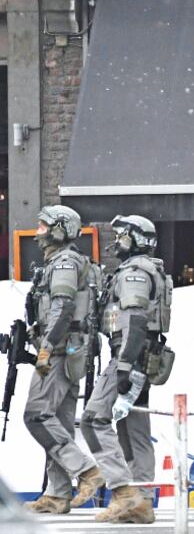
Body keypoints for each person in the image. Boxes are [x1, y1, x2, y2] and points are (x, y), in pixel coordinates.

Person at [81, 215, 171, 524]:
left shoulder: (134, 272)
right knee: (134, 429)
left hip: (129, 355)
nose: (116, 240)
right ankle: (142, 502)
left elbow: (133, 319)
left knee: (94, 418)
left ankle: (123, 494)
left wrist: (122, 364)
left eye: (122, 236)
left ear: (136, 239)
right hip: (141, 357)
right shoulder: (146, 269)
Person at [22, 205, 105, 514]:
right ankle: (57, 493)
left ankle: (86, 471)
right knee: (60, 421)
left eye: (44, 226)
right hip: (69, 349)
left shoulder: (64, 263)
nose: (39, 232)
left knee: (37, 415)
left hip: (59, 351)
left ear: (60, 229)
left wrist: (46, 346)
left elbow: (63, 307)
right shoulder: (62, 262)